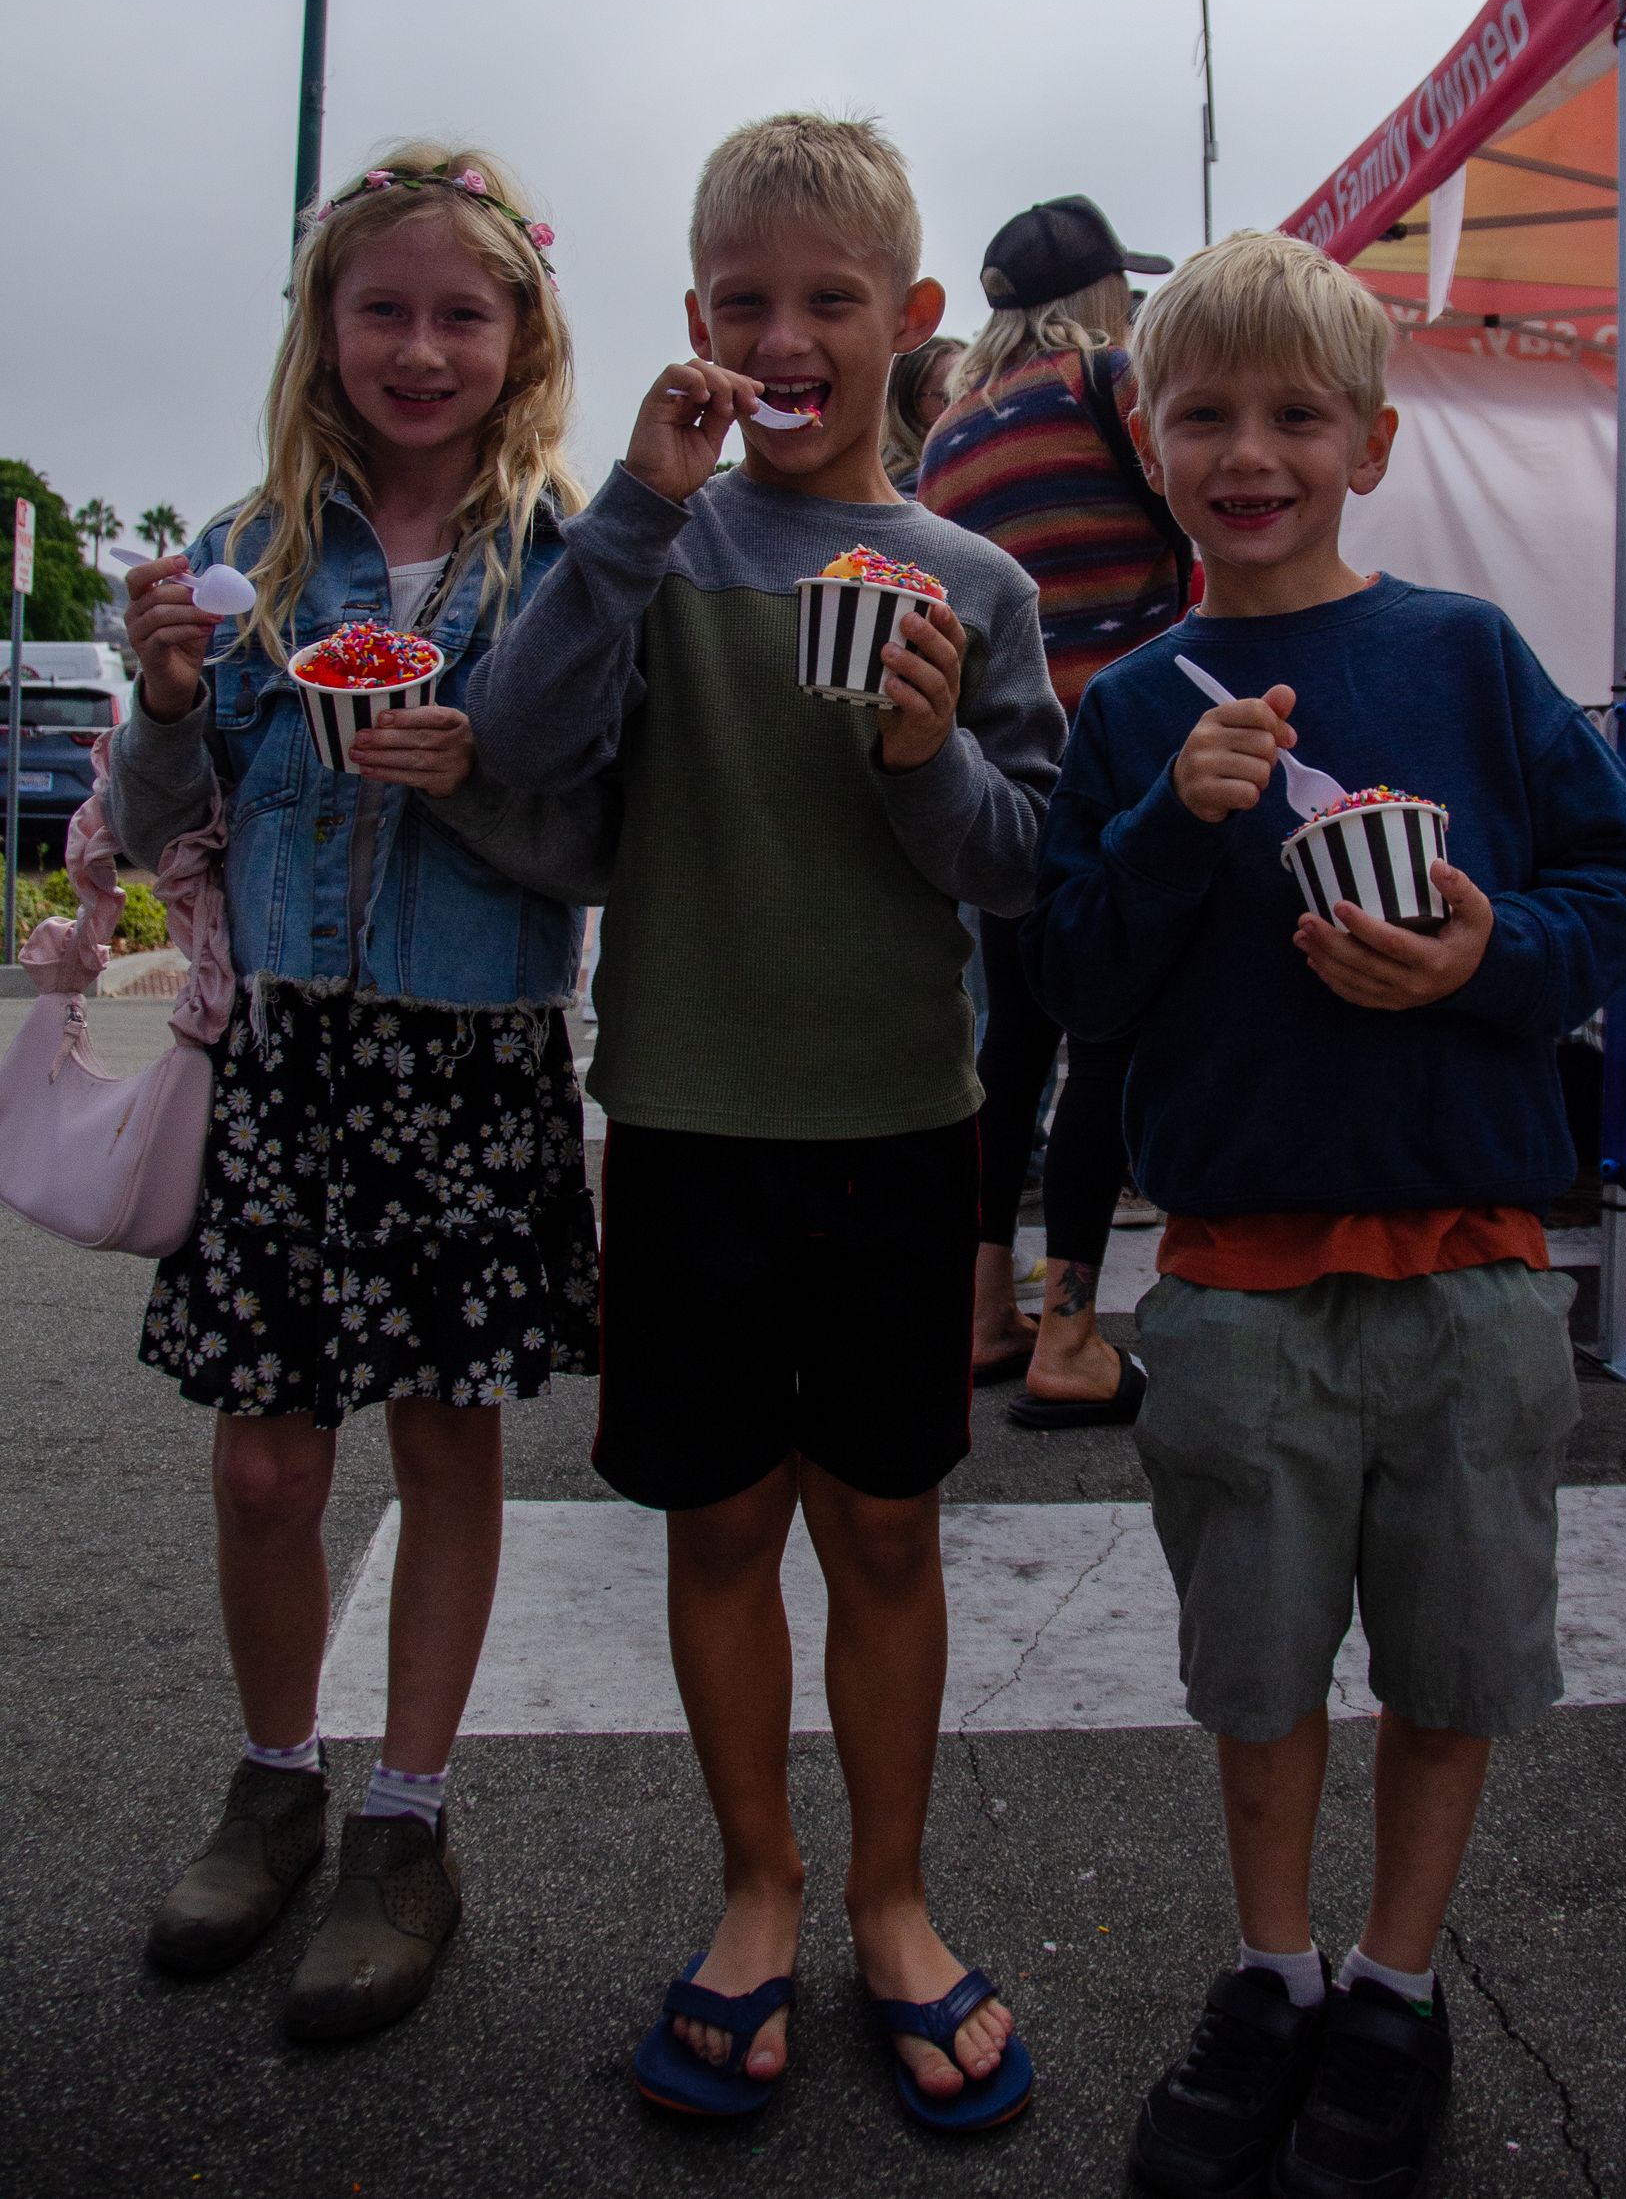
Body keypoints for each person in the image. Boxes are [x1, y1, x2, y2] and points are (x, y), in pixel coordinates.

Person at [1025, 231, 1626, 2199]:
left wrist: (1488, 958)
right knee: (1259, 1668)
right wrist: (1168, 826)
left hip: (1473, 1273)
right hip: (1227, 1289)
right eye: (1205, 413)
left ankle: (1395, 1985)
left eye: (1297, 414)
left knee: (1455, 1667)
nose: (1251, 449)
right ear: (1151, 441)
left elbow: (1624, 876)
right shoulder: (1139, 708)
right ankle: (1275, 1972)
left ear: (1370, 442)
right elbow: (1073, 983)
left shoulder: (1466, 656)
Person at [464, 111, 1063, 2132]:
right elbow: (525, 742)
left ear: (906, 321)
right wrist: (634, 510)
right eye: (745, 300)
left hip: (900, 1117)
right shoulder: (645, 542)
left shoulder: (973, 579)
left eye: (831, 300)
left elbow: (1014, 864)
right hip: (690, 1119)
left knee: (884, 1527)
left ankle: (891, 1901)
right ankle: (758, 1886)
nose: (787, 334)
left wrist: (916, 751)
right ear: (695, 318)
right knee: (717, 1520)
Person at [107, 146, 610, 2042]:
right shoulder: (249, 546)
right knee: (261, 1458)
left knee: (445, 1442)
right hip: (292, 1050)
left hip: (469, 1045)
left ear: (521, 333)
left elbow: (597, 847)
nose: (419, 345)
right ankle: (272, 1772)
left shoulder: (558, 569)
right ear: (323, 329)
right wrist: (162, 703)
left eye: (460, 312)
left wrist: (468, 771)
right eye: (381, 307)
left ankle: (407, 1819)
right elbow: (168, 829)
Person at [919, 195, 1185, 1427]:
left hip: (999, 776)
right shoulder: (1113, 383)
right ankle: (1071, 1331)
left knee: (1011, 1052)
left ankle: (981, 1314)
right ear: (1099, 298)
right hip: (1124, 768)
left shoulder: (948, 436)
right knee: (1109, 1047)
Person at [881, 330, 963, 494]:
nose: (966, 403)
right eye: (949, 396)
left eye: (975, 390)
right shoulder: (918, 488)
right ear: (907, 406)